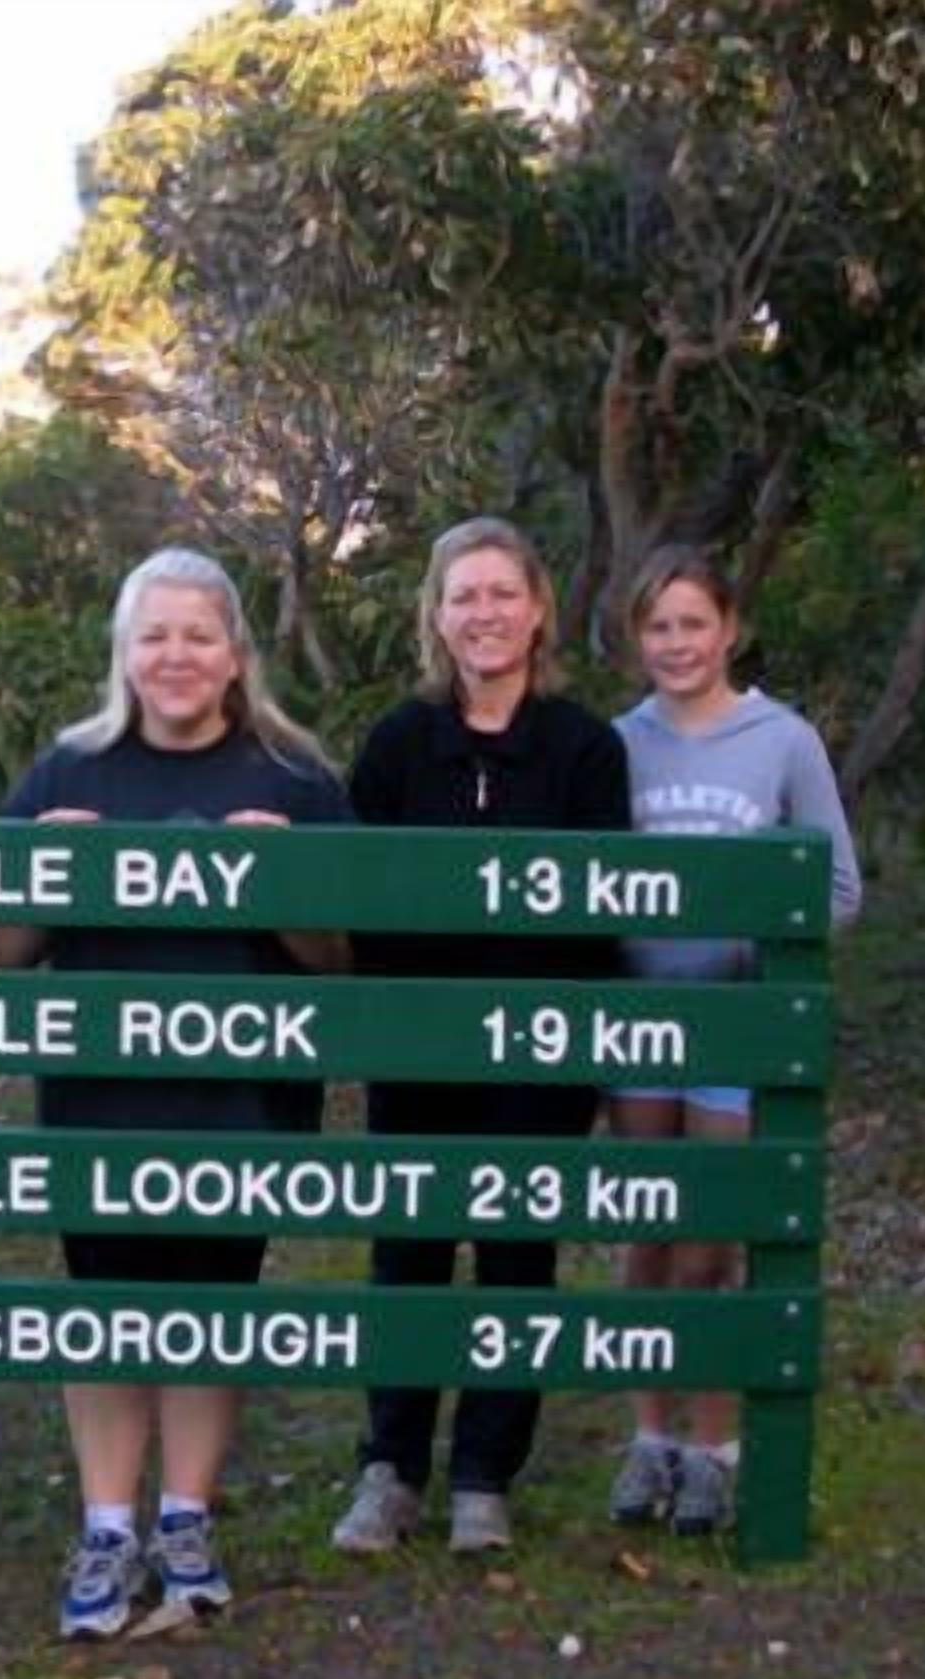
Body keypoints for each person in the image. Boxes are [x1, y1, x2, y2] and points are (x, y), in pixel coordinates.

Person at [0, 548, 350, 1639]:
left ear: (235, 651)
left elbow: (340, 960)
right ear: (124, 653)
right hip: (100, 1096)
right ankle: (107, 1530)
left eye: (197, 634)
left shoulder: (295, 777)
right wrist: (47, 870)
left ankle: (185, 1519)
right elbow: (1, 949)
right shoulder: (68, 770)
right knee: (105, 1306)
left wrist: (280, 882)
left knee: (209, 1304)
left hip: (243, 1096)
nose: (175, 656)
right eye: (155, 636)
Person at [331, 517, 631, 1557]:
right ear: (437, 614)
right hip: (417, 1050)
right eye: (465, 595)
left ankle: (483, 1476)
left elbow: (604, 913)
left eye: (503, 592)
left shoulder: (585, 748)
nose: (485, 613)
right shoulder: (398, 742)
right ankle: (392, 1467)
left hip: (538, 1057)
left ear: (538, 606)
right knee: (407, 1254)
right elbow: (357, 902)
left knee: (515, 1258)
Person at [605, 546, 860, 1536]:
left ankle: (716, 1448)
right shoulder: (617, 744)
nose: (676, 643)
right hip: (636, 1024)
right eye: (657, 627)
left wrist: (748, 944)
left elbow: (837, 889)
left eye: (692, 623)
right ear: (637, 638)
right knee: (646, 1231)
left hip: (733, 1027)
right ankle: (649, 1437)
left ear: (728, 628)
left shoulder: (782, 740)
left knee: (711, 1240)